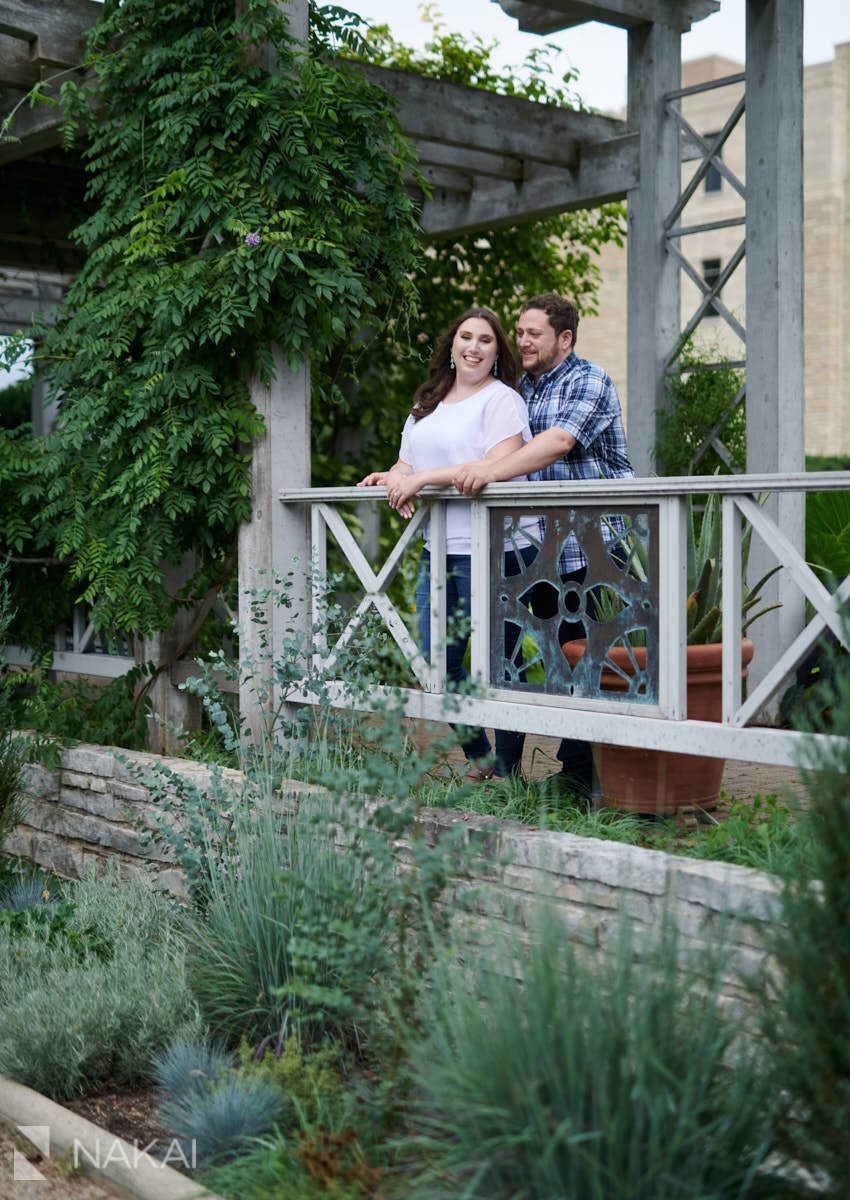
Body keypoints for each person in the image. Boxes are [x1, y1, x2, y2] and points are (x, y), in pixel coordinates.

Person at [452, 293, 635, 795]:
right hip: (533, 548)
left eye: (534, 332)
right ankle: (510, 772)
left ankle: (580, 777)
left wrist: (487, 470)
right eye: (521, 330)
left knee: (583, 657)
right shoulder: (514, 391)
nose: (523, 340)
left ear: (565, 338)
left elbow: (557, 442)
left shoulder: (589, 381)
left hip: (593, 547)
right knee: (523, 653)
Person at [358, 306, 536, 782]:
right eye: (466, 337)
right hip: (441, 547)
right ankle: (479, 758)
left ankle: (507, 772)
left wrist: (421, 482)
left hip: (501, 549)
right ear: (451, 346)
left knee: (502, 662)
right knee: (437, 659)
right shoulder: (428, 403)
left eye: (485, 340)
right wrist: (393, 479)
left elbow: (494, 468)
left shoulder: (502, 401)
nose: (473, 347)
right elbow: (406, 462)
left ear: (498, 353)